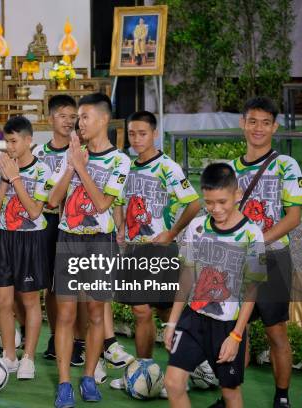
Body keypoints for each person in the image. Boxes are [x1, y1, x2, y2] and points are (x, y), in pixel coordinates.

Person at [48, 93, 131, 407]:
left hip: (99, 241)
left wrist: (81, 168)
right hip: (69, 239)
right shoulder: (71, 153)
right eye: (77, 117)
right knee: (66, 314)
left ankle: (88, 375)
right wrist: (72, 166)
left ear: (104, 120)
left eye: (84, 117)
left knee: (96, 314)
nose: (77, 123)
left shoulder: (119, 160)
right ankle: (65, 383)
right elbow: (53, 201)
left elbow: (101, 204)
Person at [109, 110, 201, 395]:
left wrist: (172, 233)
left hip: (161, 250)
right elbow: (120, 200)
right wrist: (121, 227)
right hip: (136, 250)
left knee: (164, 311)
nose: (137, 139)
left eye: (143, 133)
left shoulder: (168, 167)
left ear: (155, 133)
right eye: (132, 134)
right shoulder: (127, 167)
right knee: (140, 311)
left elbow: (194, 203)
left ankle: (186, 369)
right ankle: (145, 371)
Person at [225, 96, 302, 408]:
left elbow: (294, 216)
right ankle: (230, 397)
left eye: (265, 122)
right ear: (243, 124)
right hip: (236, 261)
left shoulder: (286, 165)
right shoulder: (230, 169)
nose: (258, 128)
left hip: (272, 258)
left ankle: (282, 398)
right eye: (252, 121)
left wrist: (259, 242)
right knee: (234, 331)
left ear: (275, 126)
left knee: (276, 333)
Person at [164, 162, 267, 408]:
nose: (216, 209)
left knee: (230, 393)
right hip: (193, 318)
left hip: (227, 326)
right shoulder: (196, 227)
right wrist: (172, 322)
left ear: (237, 195)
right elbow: (186, 277)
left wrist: (236, 335)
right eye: (209, 202)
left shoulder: (252, 234)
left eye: (222, 202)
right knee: (173, 383)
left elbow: (252, 290)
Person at [0, 116, 52, 379]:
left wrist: (15, 179)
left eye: (14, 141)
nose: (9, 147)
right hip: (5, 238)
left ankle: (28, 357)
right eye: (6, 141)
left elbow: (35, 212)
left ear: (28, 140)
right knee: (3, 301)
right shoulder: (1, 167)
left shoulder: (42, 171)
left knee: (29, 300)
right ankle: (9, 356)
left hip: (31, 239)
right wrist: (4, 180)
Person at [33, 95, 88, 366]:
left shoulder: (81, 151)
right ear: (50, 117)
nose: (68, 121)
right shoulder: (39, 154)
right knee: (50, 288)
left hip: (74, 225)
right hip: (47, 222)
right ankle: (57, 338)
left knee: (74, 287)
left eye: (72, 117)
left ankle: (79, 341)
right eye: (63, 115)